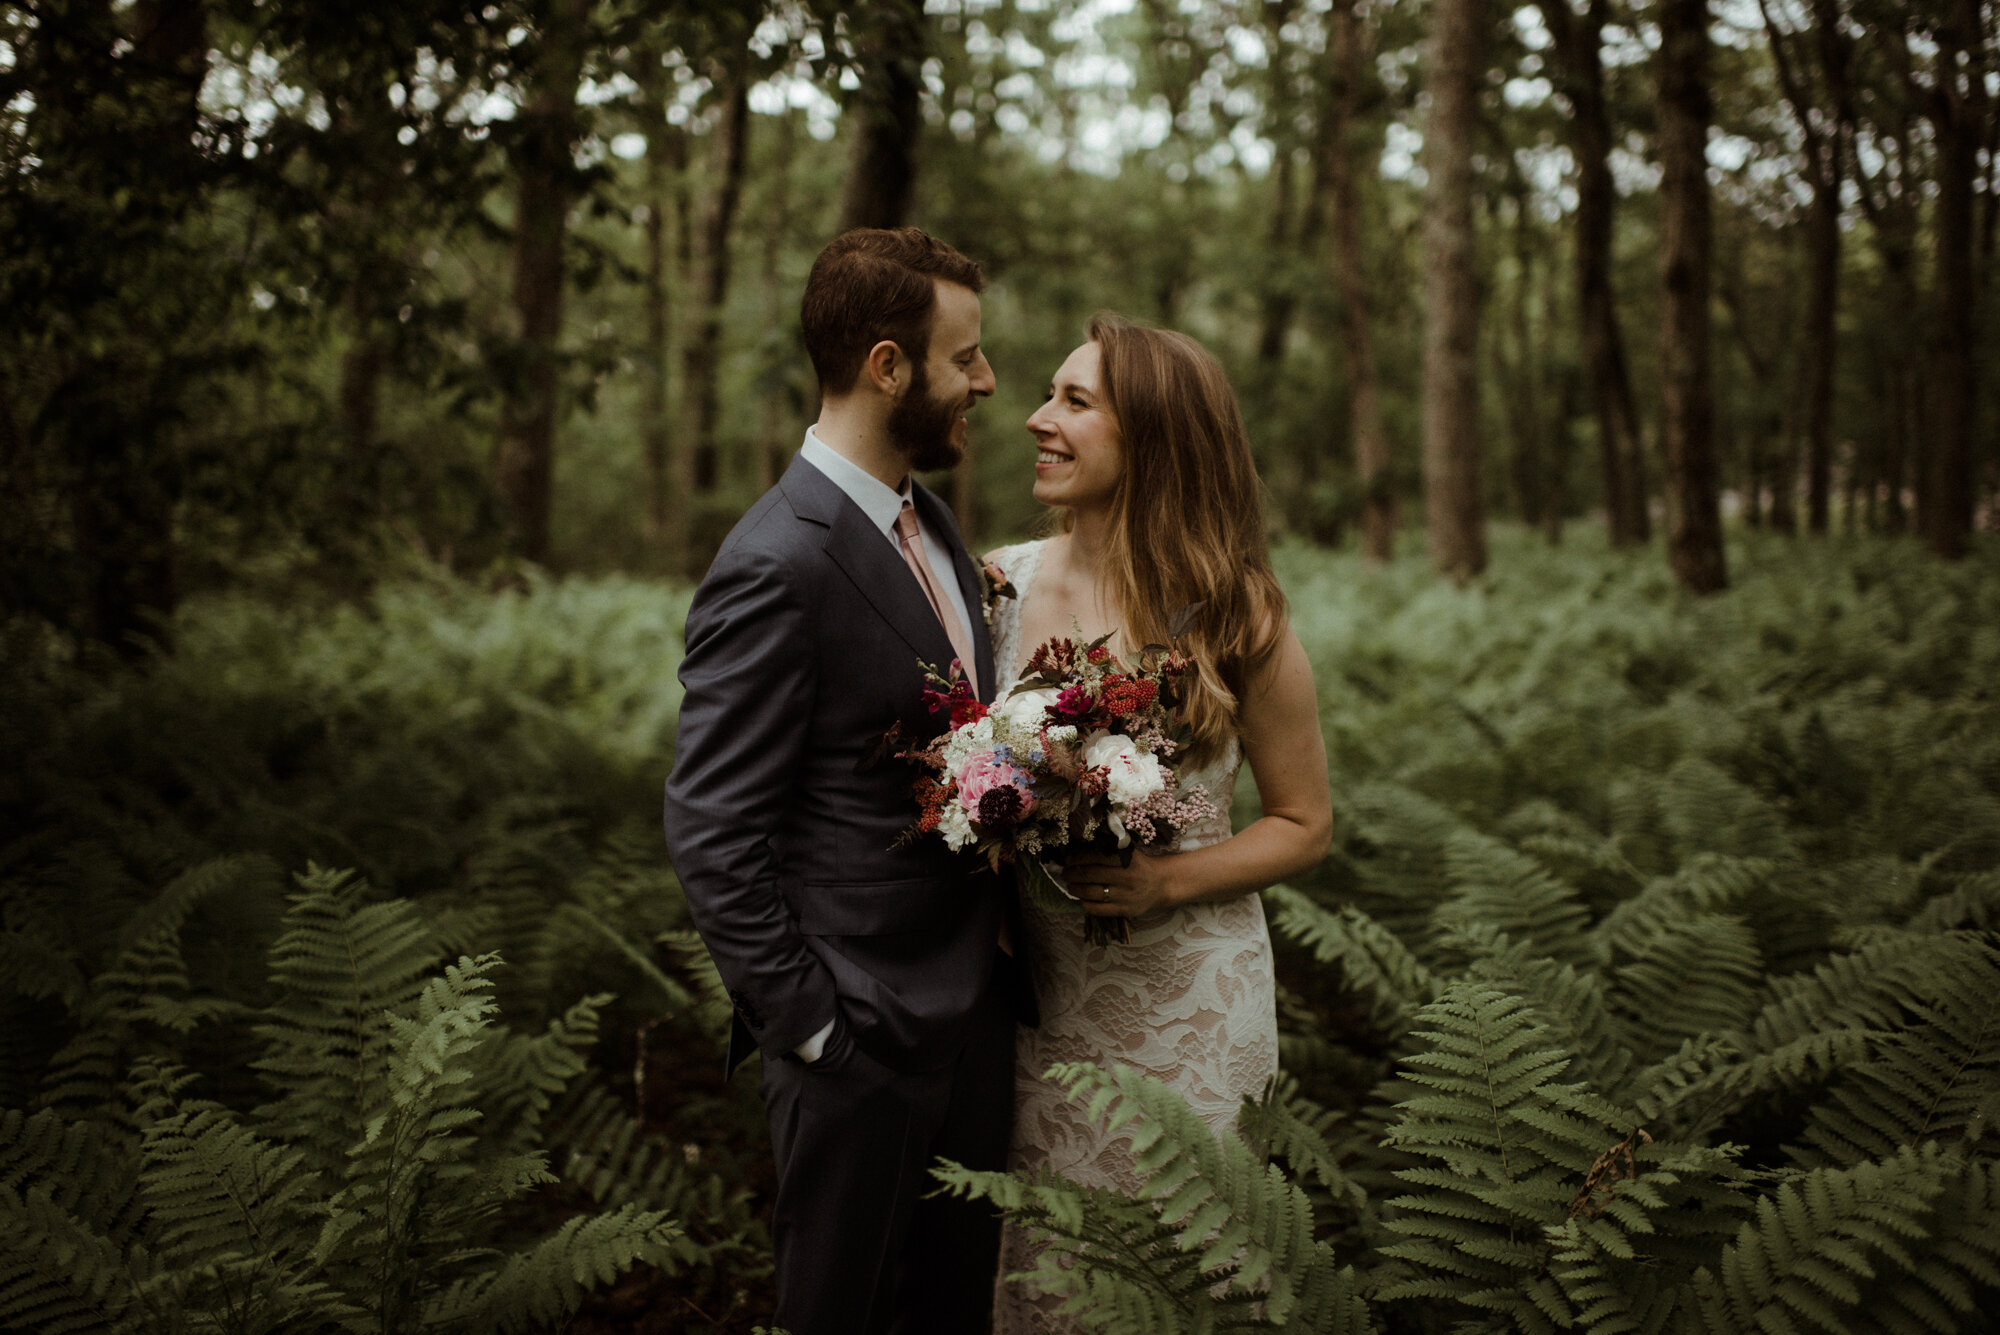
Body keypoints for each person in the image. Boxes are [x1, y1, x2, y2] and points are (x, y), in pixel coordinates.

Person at [663, 227, 1028, 1335]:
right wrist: (816, 1028)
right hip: (857, 1041)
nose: (985, 379)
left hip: (970, 1017)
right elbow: (711, 827)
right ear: (885, 365)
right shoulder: (777, 560)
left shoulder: (932, 521)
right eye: (963, 357)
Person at [984, 313, 1334, 1332]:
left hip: (1190, 998)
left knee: (1180, 1278)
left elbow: (1303, 823)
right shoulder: (994, 586)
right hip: (1034, 1004)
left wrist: (1164, 879)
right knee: (1049, 1266)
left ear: (1155, 438)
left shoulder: (1235, 615)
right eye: (1048, 395)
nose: (1038, 420)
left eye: (1074, 403)